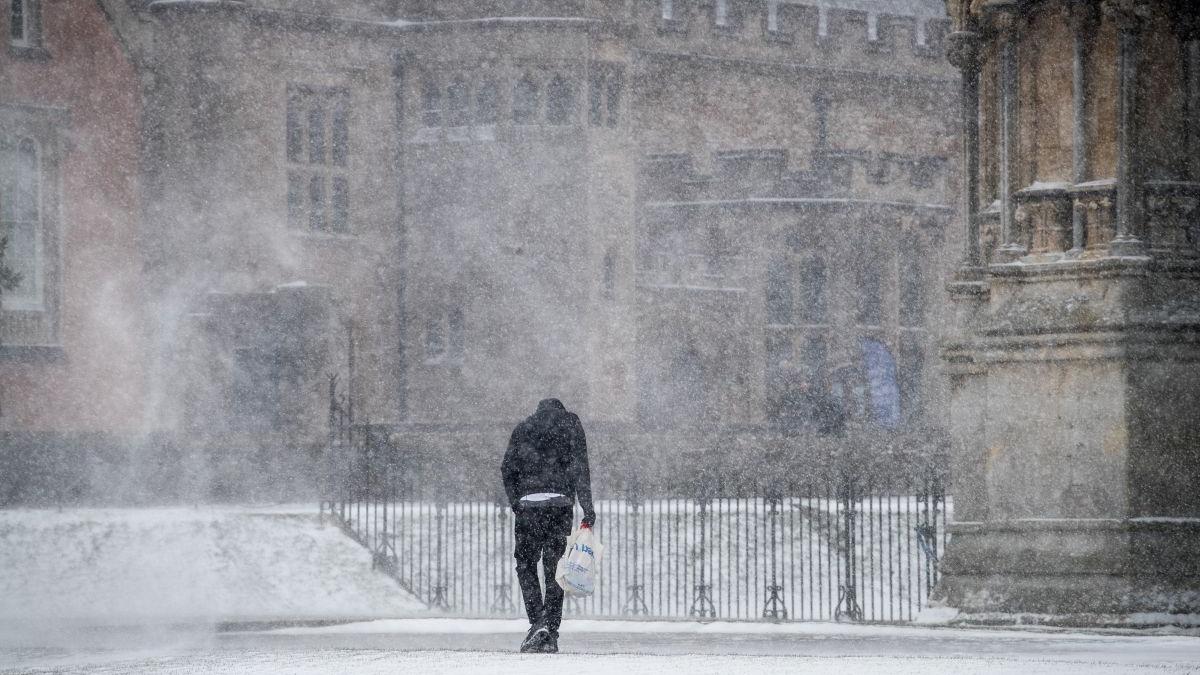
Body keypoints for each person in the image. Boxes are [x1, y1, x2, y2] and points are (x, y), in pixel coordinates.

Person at [501, 398, 596, 654]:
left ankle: (538, 622)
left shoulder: (523, 428)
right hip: (560, 505)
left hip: (529, 507)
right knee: (555, 568)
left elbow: (507, 468)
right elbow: (580, 468)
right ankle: (551, 632)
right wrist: (587, 507)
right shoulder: (570, 425)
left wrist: (516, 503)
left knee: (525, 563)